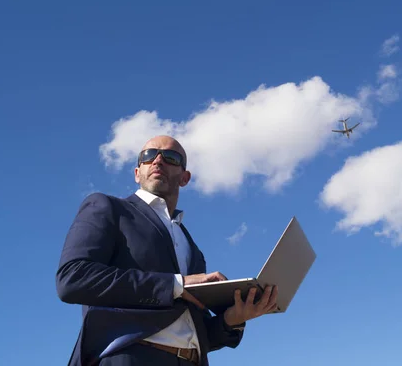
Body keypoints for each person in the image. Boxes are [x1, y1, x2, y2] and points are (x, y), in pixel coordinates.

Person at [56, 135, 278, 366]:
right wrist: (177, 285)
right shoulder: (109, 208)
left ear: (185, 177)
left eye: (170, 157)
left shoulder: (191, 247)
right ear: (136, 172)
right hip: (130, 358)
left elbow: (197, 332)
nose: (158, 160)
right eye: (148, 156)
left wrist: (233, 319)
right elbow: (73, 278)